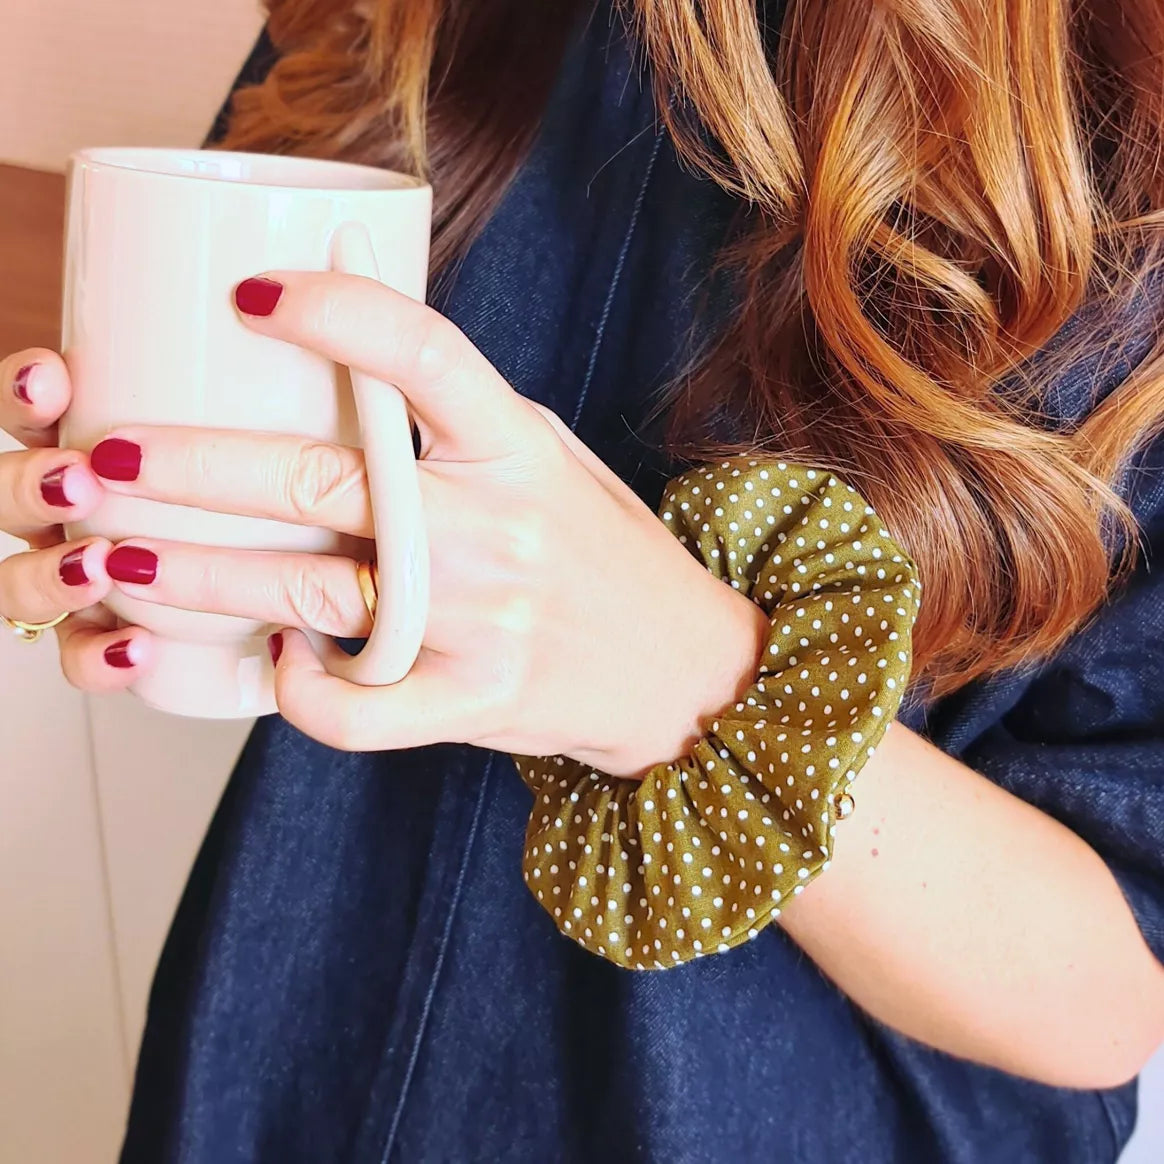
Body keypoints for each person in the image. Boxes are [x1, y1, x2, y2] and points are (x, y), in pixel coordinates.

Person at [2, 0, 1163, 1159]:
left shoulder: (1115, 111)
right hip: (283, 1048)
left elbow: (1115, 996)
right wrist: (154, 537)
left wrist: (685, 684)